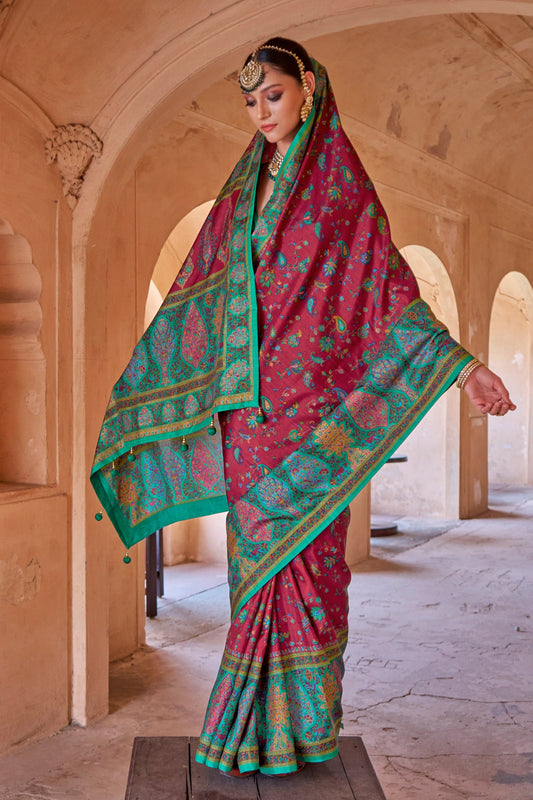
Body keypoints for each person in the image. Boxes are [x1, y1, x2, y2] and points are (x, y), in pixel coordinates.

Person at [91, 37, 515, 778]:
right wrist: (145, 389)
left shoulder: (341, 190)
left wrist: (463, 367)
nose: (261, 113)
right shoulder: (239, 195)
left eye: (274, 97)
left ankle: (304, 733)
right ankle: (242, 728)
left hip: (316, 418)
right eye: (250, 102)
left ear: (310, 89)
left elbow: (388, 294)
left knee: (314, 569)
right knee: (255, 568)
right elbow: (199, 297)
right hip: (246, 416)